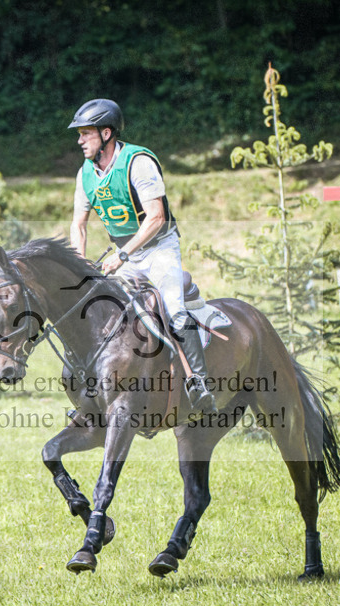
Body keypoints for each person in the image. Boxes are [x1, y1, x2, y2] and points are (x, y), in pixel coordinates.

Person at [67, 98, 217, 414]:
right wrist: (79, 266)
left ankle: (199, 384)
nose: (80, 140)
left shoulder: (138, 162)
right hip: (124, 255)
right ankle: (94, 395)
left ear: (106, 133)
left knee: (174, 310)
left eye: (85, 134)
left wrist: (122, 255)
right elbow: (78, 224)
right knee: (98, 309)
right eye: (79, 134)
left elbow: (156, 217)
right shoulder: (86, 173)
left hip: (158, 249)